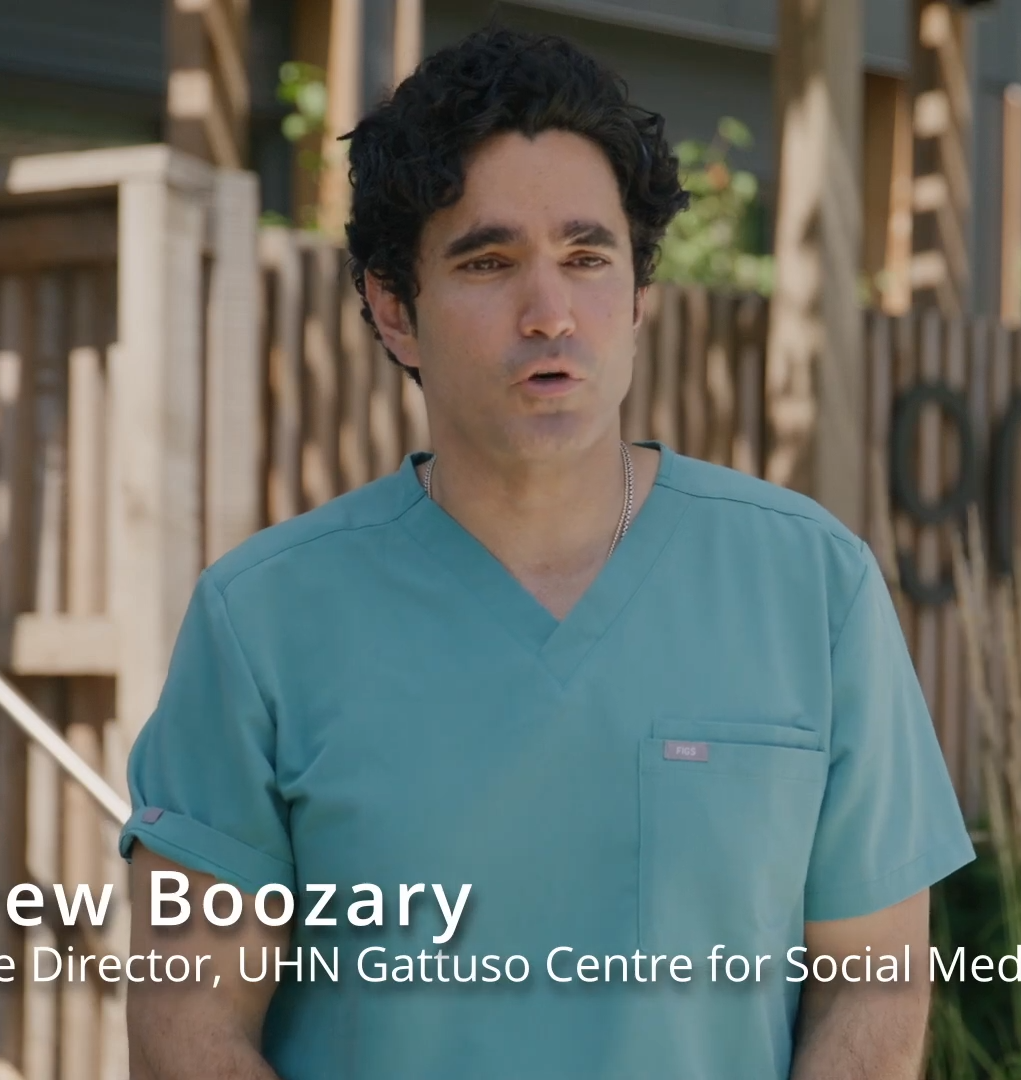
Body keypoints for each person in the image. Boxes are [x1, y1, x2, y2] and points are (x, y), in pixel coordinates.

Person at [119, 25, 973, 1080]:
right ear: (394, 310)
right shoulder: (263, 623)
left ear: (639, 296)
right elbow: (188, 1029)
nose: (550, 313)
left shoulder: (811, 588)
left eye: (587, 258)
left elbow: (873, 984)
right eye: (489, 262)